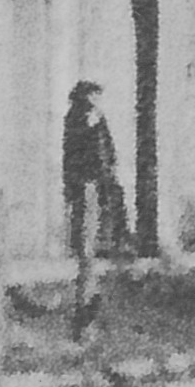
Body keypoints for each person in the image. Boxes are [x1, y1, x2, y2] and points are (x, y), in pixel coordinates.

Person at [62, 81, 127, 258]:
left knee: (105, 205)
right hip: (87, 172)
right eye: (94, 95)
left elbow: (106, 144)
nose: (97, 99)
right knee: (87, 206)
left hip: (98, 171)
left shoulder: (93, 115)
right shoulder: (80, 115)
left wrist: (110, 164)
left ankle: (104, 243)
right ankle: (89, 245)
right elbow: (81, 146)